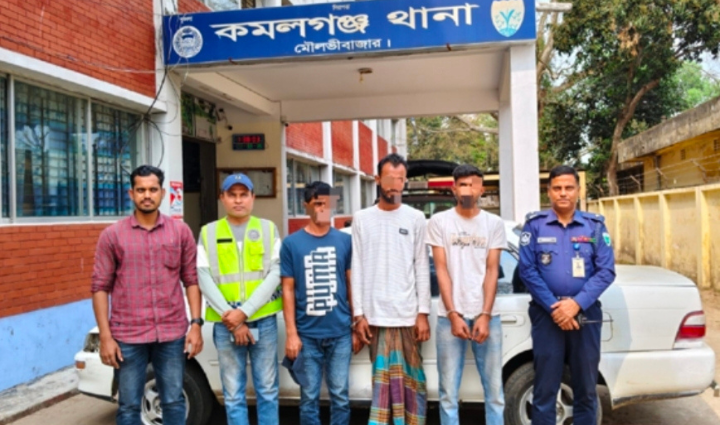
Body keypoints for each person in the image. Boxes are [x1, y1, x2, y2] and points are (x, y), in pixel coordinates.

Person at [91, 165, 203, 425]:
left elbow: (191, 280)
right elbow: (100, 287)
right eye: (141, 190)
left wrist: (196, 325)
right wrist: (105, 336)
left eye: (153, 189)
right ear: (131, 194)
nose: (147, 195)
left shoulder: (180, 232)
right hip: (128, 335)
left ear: (162, 193)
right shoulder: (112, 236)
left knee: (174, 401)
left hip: (171, 332)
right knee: (129, 406)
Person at [518, 165, 616, 425]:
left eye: (569, 188)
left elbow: (606, 271)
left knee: (586, 389)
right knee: (544, 389)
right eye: (557, 188)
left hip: (585, 316)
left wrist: (575, 304)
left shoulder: (595, 227)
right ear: (549, 191)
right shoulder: (534, 226)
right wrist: (555, 307)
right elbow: (527, 270)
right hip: (546, 316)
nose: (563, 193)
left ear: (578, 190)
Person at [351, 153, 431, 425]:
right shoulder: (362, 218)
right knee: (382, 387)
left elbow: (421, 266)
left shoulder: (416, 218)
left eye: (400, 179)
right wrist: (359, 315)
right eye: (389, 178)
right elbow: (357, 267)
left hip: (407, 316)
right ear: (377, 180)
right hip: (375, 318)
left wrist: (423, 313)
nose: (395, 184)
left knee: (412, 384)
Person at [197, 173, 282, 425]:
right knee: (233, 393)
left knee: (267, 389)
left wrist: (244, 312)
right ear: (222, 198)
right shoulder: (208, 232)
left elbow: (276, 272)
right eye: (232, 195)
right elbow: (203, 276)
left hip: (263, 320)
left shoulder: (268, 229)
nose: (238, 200)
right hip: (226, 324)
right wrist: (233, 320)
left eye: (243, 194)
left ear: (252, 197)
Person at [425, 164, 507, 425]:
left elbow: (492, 270)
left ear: (482, 190)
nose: (468, 190)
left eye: (473, 185)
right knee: (448, 393)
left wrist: (485, 314)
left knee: (494, 392)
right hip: (449, 317)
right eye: (462, 185)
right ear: (454, 189)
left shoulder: (493, 223)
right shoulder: (439, 222)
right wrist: (452, 314)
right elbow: (441, 269)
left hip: (488, 316)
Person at [281, 181, 357, 425]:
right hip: (307, 335)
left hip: (340, 333)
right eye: (317, 203)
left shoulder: (344, 241)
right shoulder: (291, 244)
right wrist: (292, 334)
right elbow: (287, 289)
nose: (323, 208)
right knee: (309, 398)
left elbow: (351, 284)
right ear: (306, 206)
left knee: (341, 396)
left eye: (327, 203)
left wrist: (356, 325)